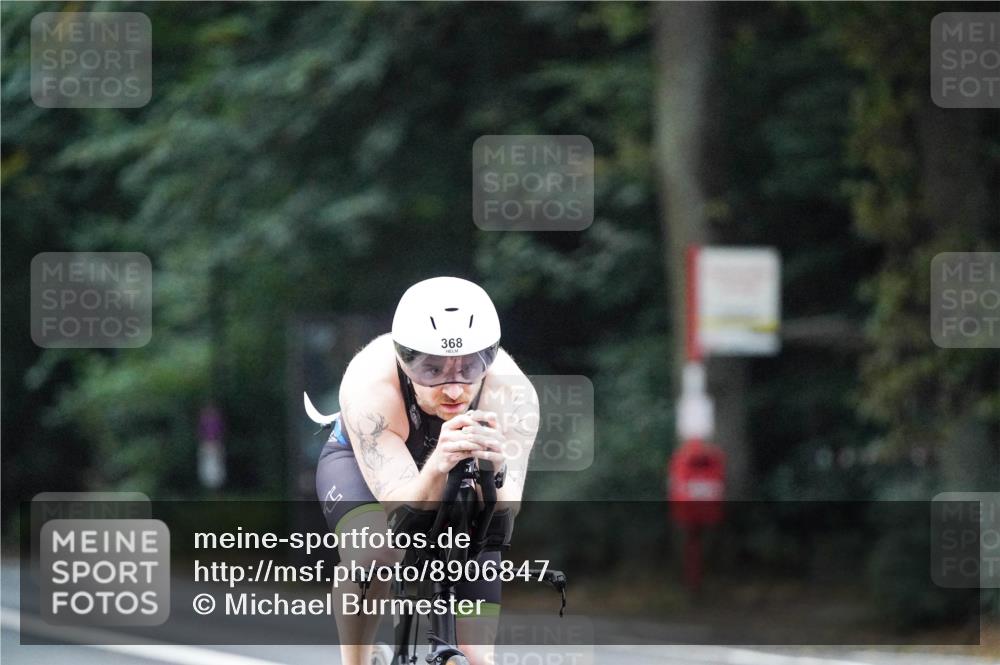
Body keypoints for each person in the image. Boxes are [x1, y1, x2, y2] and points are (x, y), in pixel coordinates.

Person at [314, 276, 538, 665]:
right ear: (404, 358)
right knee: (375, 553)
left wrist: (496, 468)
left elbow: (504, 514)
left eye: (469, 368)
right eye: (433, 371)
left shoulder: (512, 394)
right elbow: (400, 512)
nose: (454, 390)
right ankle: (356, 659)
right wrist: (438, 462)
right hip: (360, 465)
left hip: (461, 466)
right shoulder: (371, 382)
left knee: (478, 656)